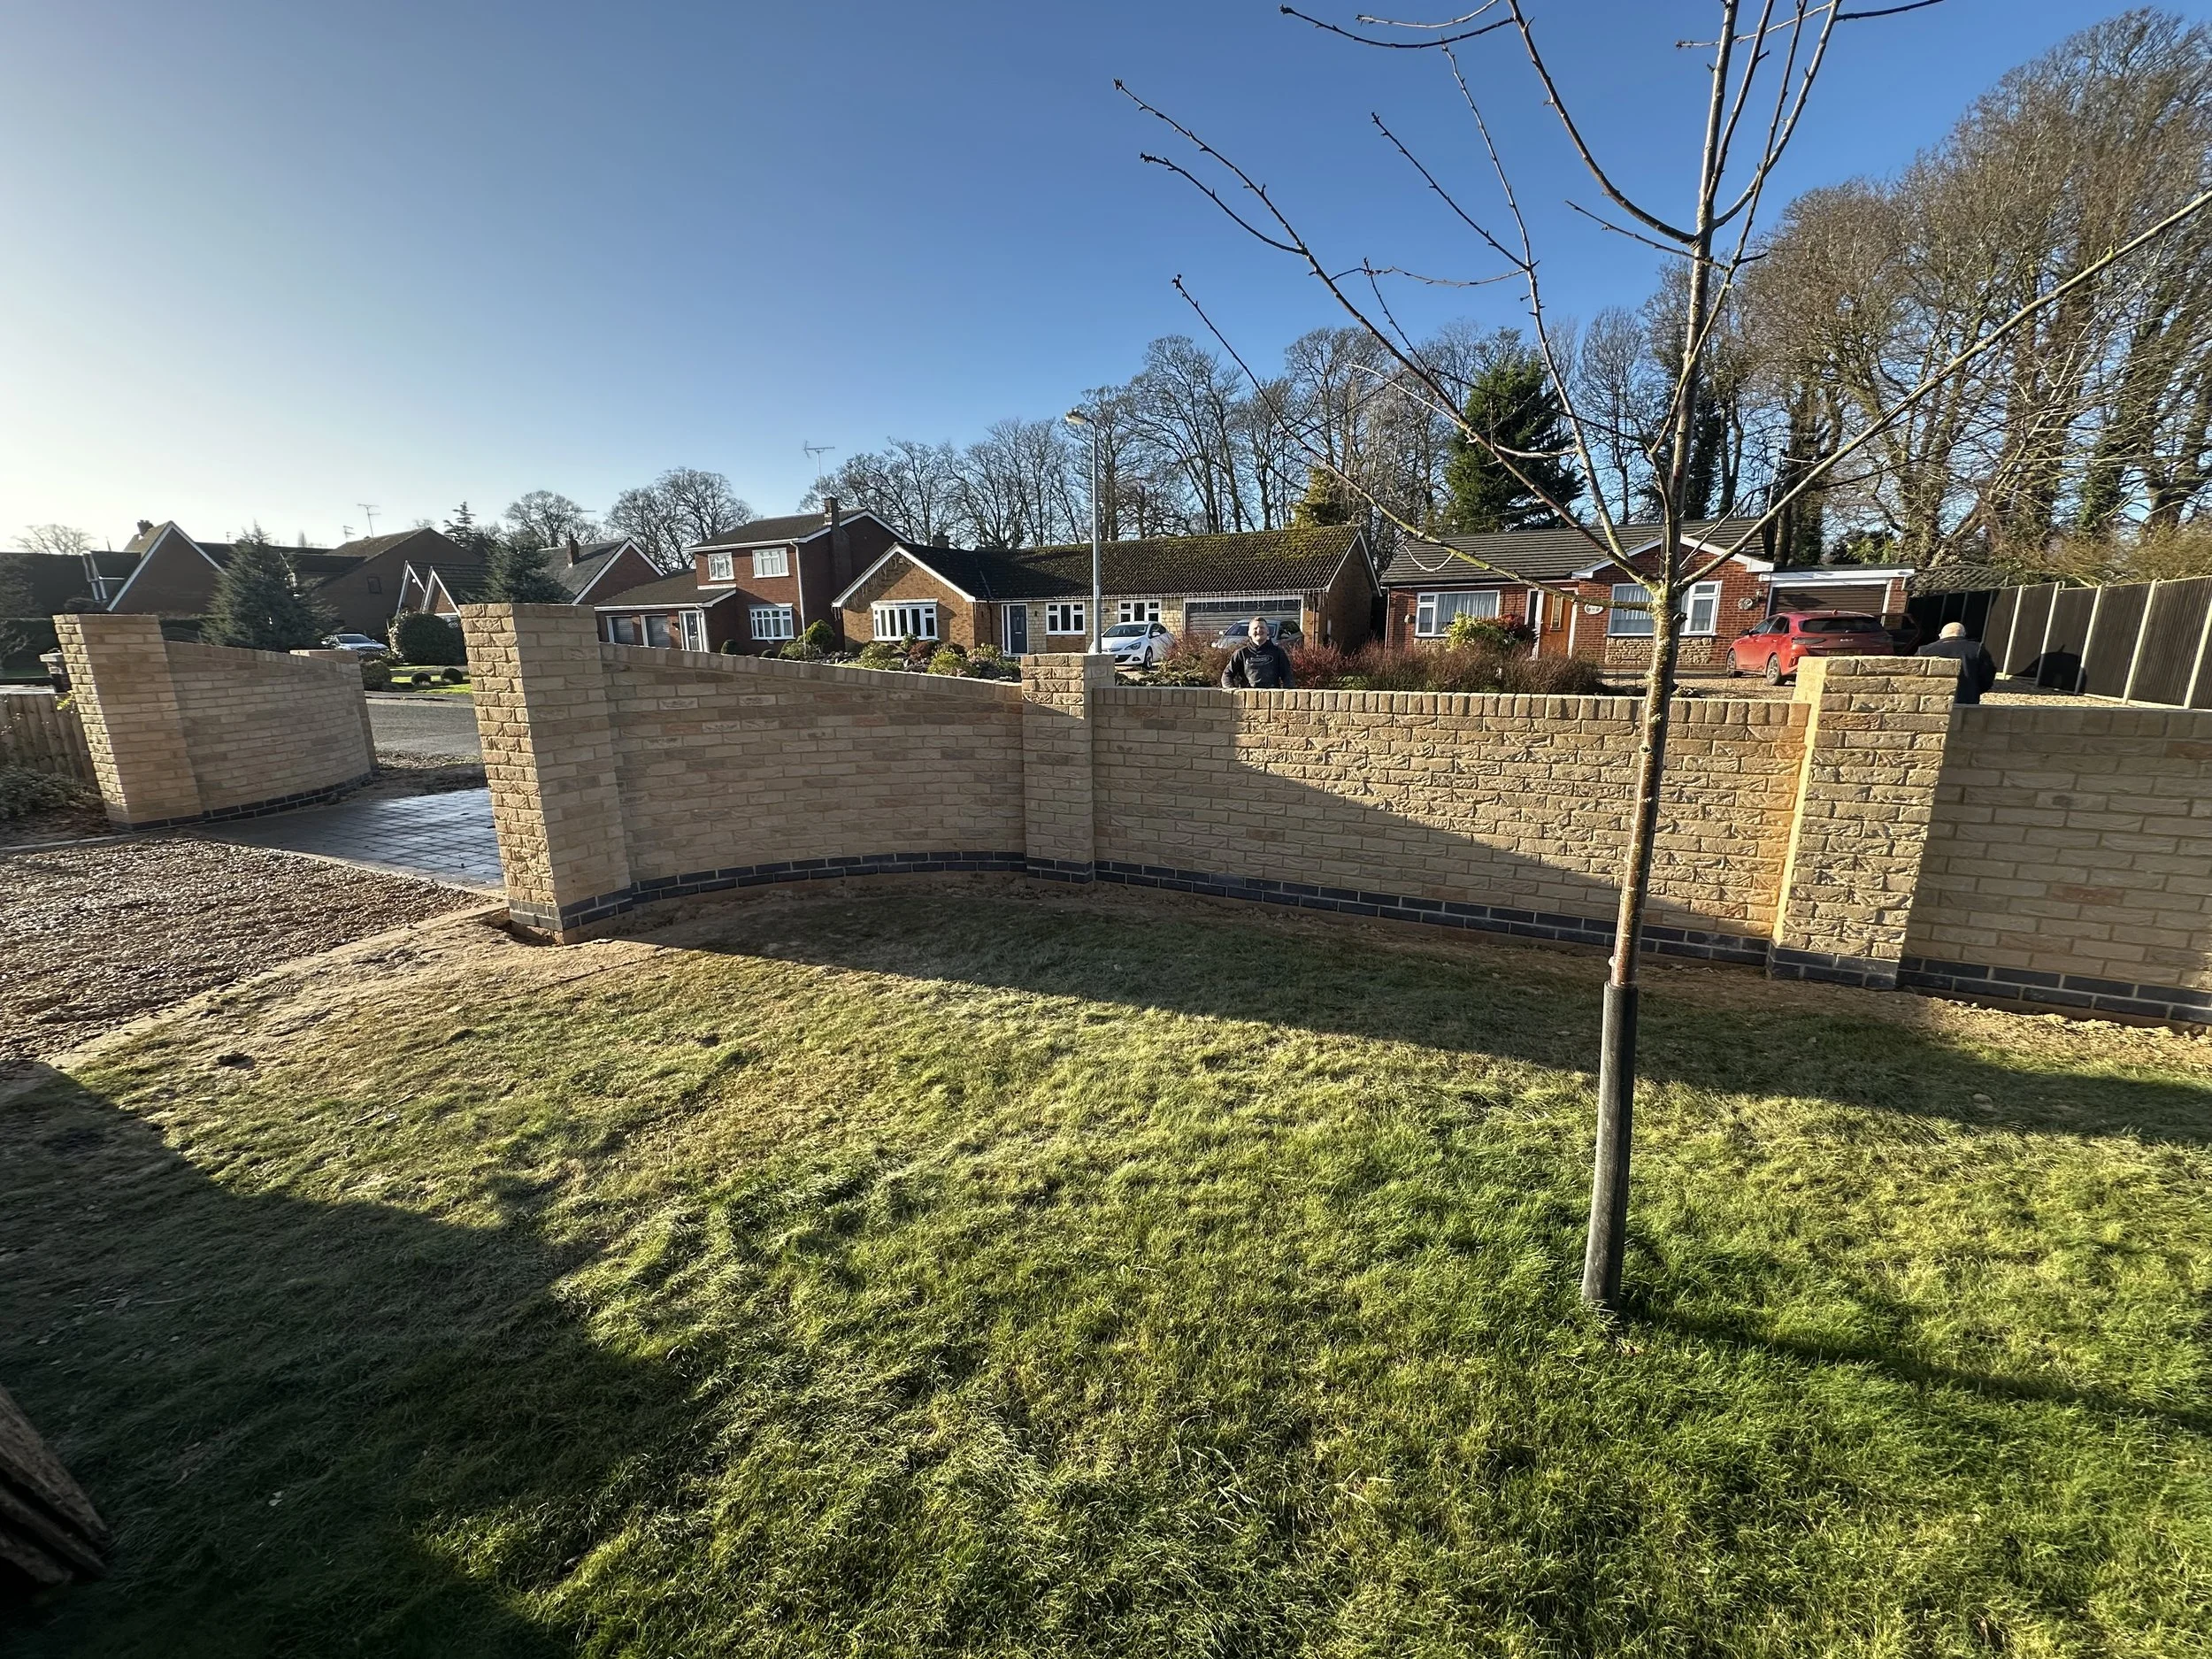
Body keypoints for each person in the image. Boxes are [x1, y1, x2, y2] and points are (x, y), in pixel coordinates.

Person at [1917, 619, 1997, 705]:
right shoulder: (1977, 649)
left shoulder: (1924, 651)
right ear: (1963, 634)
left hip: (1930, 701)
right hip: (1965, 700)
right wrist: (1974, 690)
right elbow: (1987, 676)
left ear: (1940, 635)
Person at [1221, 616, 1295, 689]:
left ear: (1268, 631)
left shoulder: (1278, 652)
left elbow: (1288, 677)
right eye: (1255, 628)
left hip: (1272, 697)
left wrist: (1286, 695)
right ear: (1249, 633)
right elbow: (1227, 675)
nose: (1259, 630)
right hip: (1247, 697)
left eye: (1262, 627)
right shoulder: (1241, 653)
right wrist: (1231, 691)